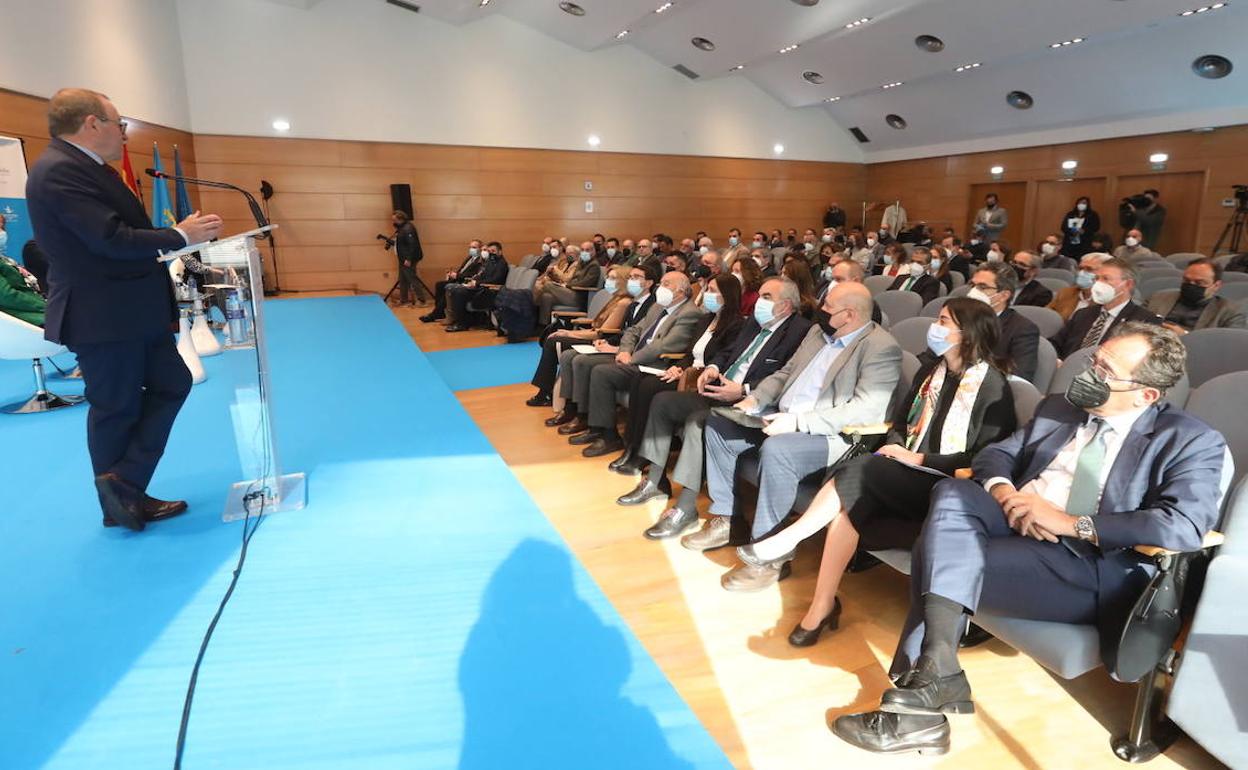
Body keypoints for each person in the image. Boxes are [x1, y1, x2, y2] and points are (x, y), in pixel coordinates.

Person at [833, 324, 1226, 756]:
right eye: (1094, 360)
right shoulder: (1061, 408)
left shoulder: (1192, 440)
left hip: (1088, 562)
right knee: (952, 492)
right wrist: (1005, 492)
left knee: (939, 553)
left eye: (1105, 370)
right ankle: (934, 677)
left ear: (1146, 394)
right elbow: (995, 455)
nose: (1089, 372)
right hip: (1014, 517)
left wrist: (1070, 522)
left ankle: (919, 706)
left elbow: (1184, 524)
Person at [739, 299, 1016, 643]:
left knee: (861, 470)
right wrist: (897, 448)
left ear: (967, 333)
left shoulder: (992, 387)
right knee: (850, 506)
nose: (936, 327)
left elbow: (985, 458)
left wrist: (919, 461)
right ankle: (821, 606)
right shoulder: (931, 370)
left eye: (944, 321)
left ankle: (790, 538)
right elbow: (899, 423)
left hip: (945, 486)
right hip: (901, 472)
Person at [25, 88, 224, 531]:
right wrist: (178, 235)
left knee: (171, 382)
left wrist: (177, 235)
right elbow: (110, 240)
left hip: (131, 311)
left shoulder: (90, 170)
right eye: (120, 124)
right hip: (104, 315)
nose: (124, 134)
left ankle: (125, 484)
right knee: (116, 407)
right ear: (92, 124)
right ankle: (119, 500)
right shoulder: (60, 172)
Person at [684, 284, 902, 592]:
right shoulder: (817, 333)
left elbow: (867, 409)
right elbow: (785, 374)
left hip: (832, 436)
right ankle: (727, 519)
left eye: (828, 308)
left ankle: (770, 557)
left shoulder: (880, 346)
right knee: (719, 424)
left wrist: (799, 422)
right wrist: (755, 400)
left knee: (778, 450)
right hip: (780, 417)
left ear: (849, 315)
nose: (820, 311)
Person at [629, 278, 813, 535]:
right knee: (663, 402)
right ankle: (656, 481)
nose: (759, 301)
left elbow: (787, 376)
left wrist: (744, 390)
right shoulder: (754, 322)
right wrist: (713, 368)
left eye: (766, 297)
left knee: (697, 421)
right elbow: (727, 353)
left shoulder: (800, 331)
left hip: (749, 403)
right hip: (719, 390)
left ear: (784, 306)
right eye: (759, 294)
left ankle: (685, 509)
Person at [607, 273, 744, 472]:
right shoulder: (706, 319)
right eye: (707, 289)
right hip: (686, 371)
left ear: (728, 295)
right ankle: (631, 446)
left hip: (702, 378)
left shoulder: (736, 325)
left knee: (649, 387)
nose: (707, 294)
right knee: (639, 379)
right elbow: (690, 352)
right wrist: (678, 366)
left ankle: (642, 454)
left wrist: (687, 371)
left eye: (713, 291)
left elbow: (723, 359)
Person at [575, 271, 706, 453]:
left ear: (681, 292)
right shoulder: (658, 307)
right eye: (660, 283)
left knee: (601, 372)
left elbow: (662, 346)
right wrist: (625, 351)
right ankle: (594, 427)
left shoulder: (690, 313)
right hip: (634, 358)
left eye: (666, 284)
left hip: (654, 365)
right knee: (585, 362)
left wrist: (632, 358)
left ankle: (609, 436)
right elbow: (633, 330)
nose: (660, 288)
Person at [546, 264, 659, 431]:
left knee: (581, 361)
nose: (631, 281)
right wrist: (607, 342)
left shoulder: (652, 306)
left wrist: (617, 348)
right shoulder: (634, 304)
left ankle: (583, 415)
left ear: (649, 283)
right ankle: (571, 408)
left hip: (630, 353)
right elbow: (625, 332)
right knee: (568, 356)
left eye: (636, 277)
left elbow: (644, 338)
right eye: (630, 277)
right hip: (619, 347)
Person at [526, 265, 635, 407]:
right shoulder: (615, 298)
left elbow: (602, 332)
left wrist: (570, 333)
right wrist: (569, 333)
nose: (608, 280)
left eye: (613, 278)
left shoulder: (623, 302)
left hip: (602, 343)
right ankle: (545, 391)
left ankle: (545, 392)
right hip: (596, 337)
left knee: (554, 340)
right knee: (553, 338)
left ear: (623, 281)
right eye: (608, 277)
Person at [1050, 258, 1161, 359]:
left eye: (1106, 279)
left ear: (1128, 284)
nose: (1098, 283)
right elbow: (1056, 343)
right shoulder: (1083, 314)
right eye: (1097, 278)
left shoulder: (1145, 321)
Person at [967, 262, 1038, 382]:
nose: (973, 291)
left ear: (1004, 295)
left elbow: (1018, 378)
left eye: (982, 287)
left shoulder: (1022, 329)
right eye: (972, 285)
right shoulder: (958, 317)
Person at [1146, 257, 1246, 333]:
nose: (1191, 285)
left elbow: (1226, 346)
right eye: (1187, 280)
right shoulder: (1157, 298)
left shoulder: (1230, 312)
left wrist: (1186, 336)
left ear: (1216, 285)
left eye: (1199, 283)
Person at [534, 241, 603, 327]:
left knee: (548, 285)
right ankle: (542, 326)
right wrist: (568, 284)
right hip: (570, 292)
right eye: (582, 250)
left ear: (594, 251)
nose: (584, 252)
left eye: (587, 250)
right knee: (546, 297)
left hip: (579, 297)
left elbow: (585, 283)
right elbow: (572, 278)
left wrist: (568, 285)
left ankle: (530, 302)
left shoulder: (594, 265)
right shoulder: (581, 262)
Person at [444, 241, 508, 331]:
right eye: (490, 252)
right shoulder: (491, 262)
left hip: (490, 291)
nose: (491, 254)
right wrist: (474, 281)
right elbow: (482, 276)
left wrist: (477, 283)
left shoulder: (502, 264)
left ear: (500, 252)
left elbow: (495, 280)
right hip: (481, 287)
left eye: (493, 251)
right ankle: (460, 321)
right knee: (455, 290)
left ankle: (462, 324)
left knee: (458, 292)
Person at [421, 239, 484, 322]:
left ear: (480, 249)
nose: (471, 249)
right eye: (470, 247)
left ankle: (435, 314)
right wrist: (453, 274)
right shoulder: (469, 258)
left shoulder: (480, 261)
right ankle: (439, 311)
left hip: (465, 281)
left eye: (474, 247)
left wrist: (457, 276)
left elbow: (471, 275)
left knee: (448, 288)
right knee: (439, 285)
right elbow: (462, 270)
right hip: (458, 278)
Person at [1048, 252, 1110, 321]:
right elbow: (1046, 317)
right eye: (1080, 268)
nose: (1082, 273)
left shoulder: (1107, 300)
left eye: (1089, 269)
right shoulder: (1065, 293)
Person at [390, 209, 427, 306]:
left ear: (401, 219)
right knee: (402, 279)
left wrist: (409, 259)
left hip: (409, 258)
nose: (393, 222)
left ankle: (422, 300)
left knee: (411, 278)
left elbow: (412, 245)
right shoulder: (402, 228)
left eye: (394, 220)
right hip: (403, 258)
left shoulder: (408, 228)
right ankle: (404, 300)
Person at [0, 250, 46, 325]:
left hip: (38, 307)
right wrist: (45, 307)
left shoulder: (6, 260)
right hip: (27, 317)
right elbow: (7, 296)